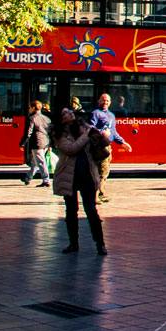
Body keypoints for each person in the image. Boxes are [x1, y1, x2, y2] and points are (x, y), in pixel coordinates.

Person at [51, 106, 107, 255]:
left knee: (91, 210)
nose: (69, 114)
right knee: (71, 211)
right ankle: (73, 243)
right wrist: (86, 135)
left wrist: (103, 136)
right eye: (65, 113)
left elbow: (102, 141)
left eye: (69, 111)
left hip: (87, 175)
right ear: (61, 118)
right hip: (69, 177)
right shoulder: (58, 133)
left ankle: (100, 244)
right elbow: (71, 149)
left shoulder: (84, 126)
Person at [88, 92, 129, 202]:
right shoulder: (95, 113)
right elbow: (90, 128)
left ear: (110, 103)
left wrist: (122, 142)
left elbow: (113, 132)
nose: (105, 102)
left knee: (105, 171)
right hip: (98, 146)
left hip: (107, 146)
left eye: (107, 101)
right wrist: (101, 132)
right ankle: (95, 196)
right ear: (99, 101)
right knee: (98, 171)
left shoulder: (111, 115)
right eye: (103, 100)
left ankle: (101, 193)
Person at [22, 100, 51, 187]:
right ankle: (28, 177)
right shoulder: (46, 118)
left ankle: (46, 180)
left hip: (37, 142)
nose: (29, 109)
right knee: (35, 161)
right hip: (45, 142)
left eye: (30, 107)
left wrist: (23, 142)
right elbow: (50, 131)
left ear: (34, 108)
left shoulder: (32, 118)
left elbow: (28, 132)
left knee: (41, 162)